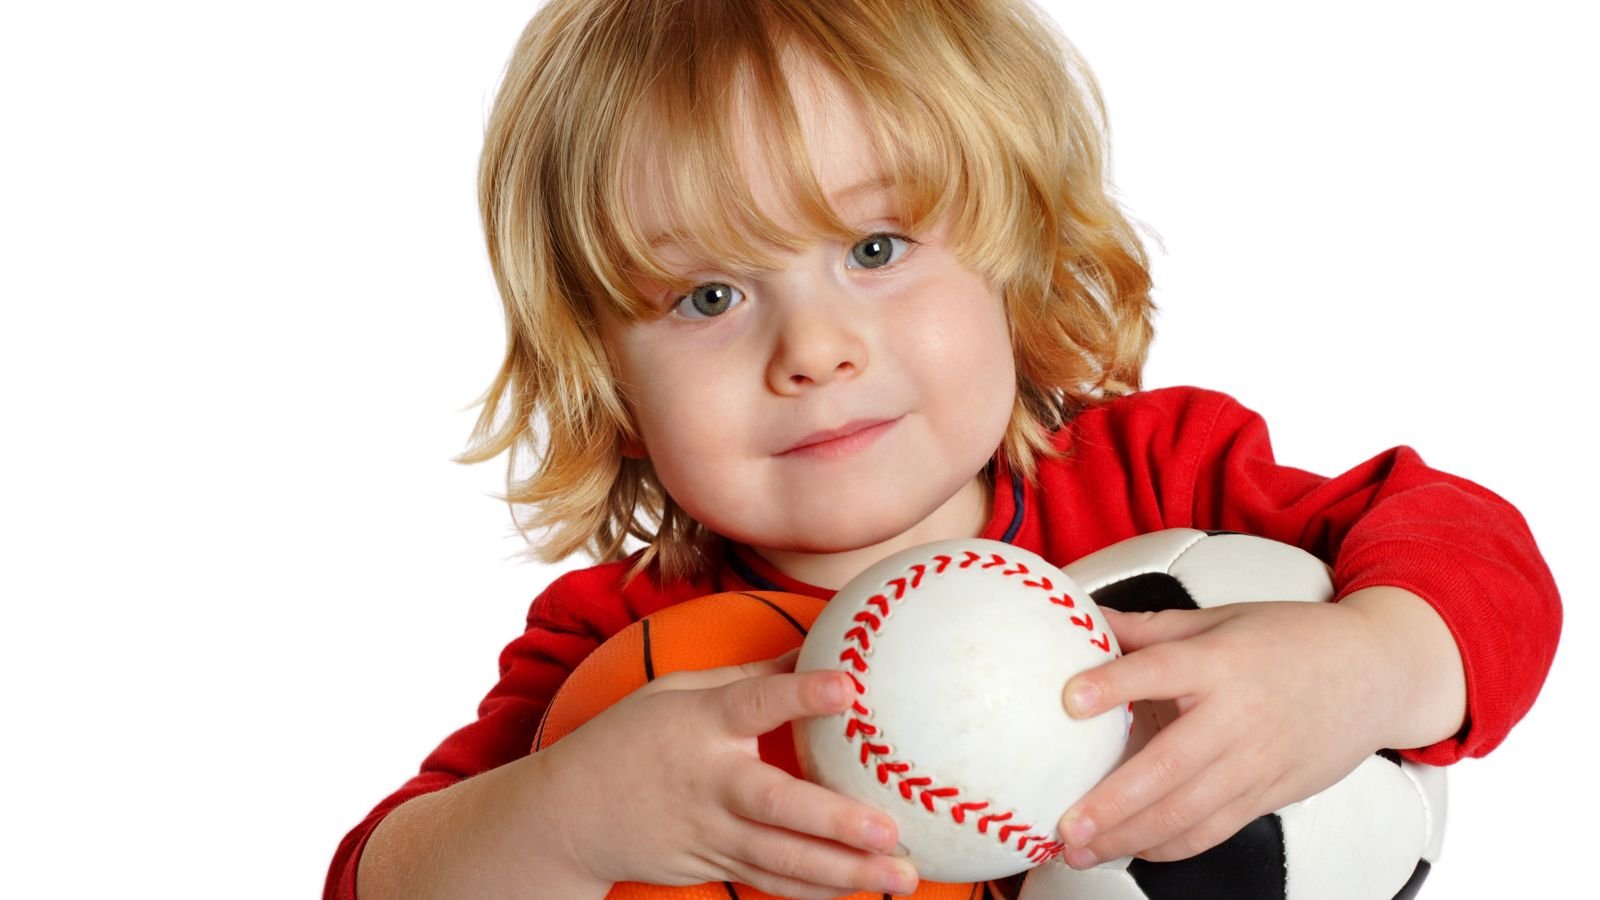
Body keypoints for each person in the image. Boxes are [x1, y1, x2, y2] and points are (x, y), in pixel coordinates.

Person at [326, 1, 1561, 898]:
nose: (812, 349)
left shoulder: (1158, 477)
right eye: (706, 297)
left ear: (1015, 256)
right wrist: (568, 821)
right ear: (607, 381)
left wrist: (1366, 661)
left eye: (873, 249)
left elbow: (1475, 551)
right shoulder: (619, 651)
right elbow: (373, 877)